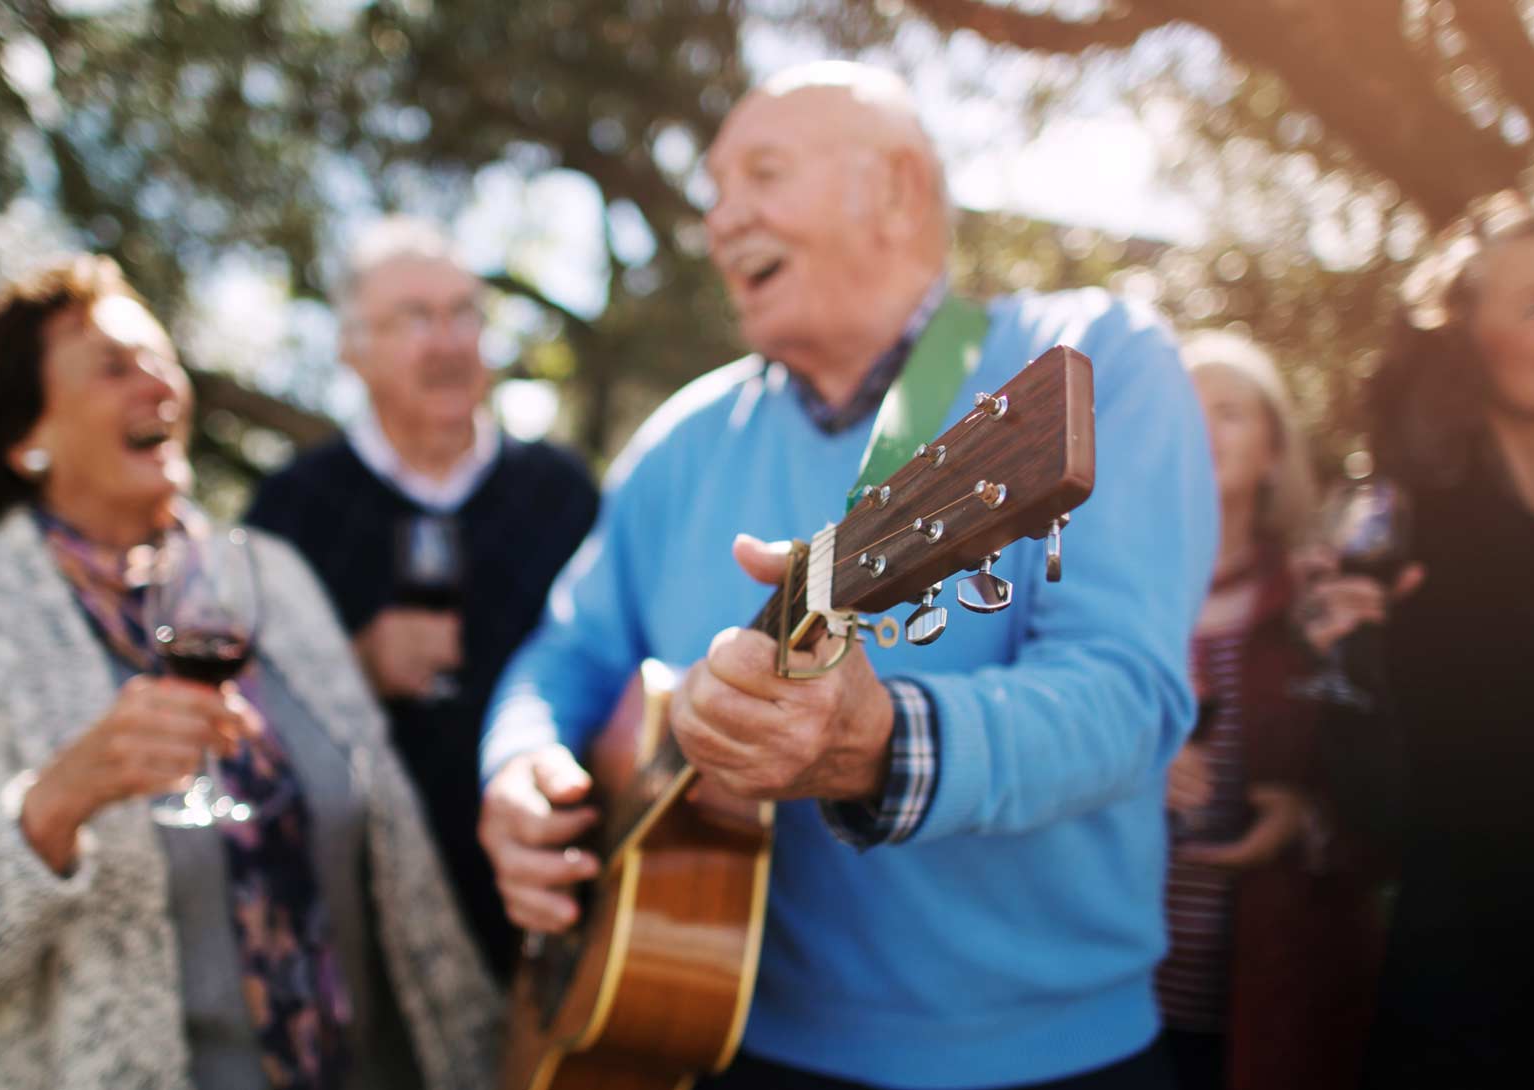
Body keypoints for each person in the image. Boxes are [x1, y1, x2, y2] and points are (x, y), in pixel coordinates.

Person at [478, 61, 1217, 1090]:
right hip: (706, 1031)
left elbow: (1125, 696)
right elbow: (564, 651)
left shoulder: (1087, 361)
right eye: (712, 193)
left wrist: (878, 743)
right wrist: (516, 769)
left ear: (899, 190)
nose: (720, 218)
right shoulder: (681, 437)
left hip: (1047, 1063)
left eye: (762, 175)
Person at [0, 257, 499, 1090]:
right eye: (115, 367)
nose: (159, 384)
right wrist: (53, 805)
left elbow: (404, 872)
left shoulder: (270, 577)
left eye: (163, 360)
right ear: (26, 438)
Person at [1303, 196, 1534, 1086]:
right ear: (1464, 340)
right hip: (1473, 999)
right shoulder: (1393, 536)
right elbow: (1376, 815)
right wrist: (1344, 669)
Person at [245, 218, 599, 977]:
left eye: (463, 313)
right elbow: (239, 722)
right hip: (365, 951)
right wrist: (357, 666)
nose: (447, 341)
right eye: (413, 318)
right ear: (350, 348)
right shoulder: (289, 512)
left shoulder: (563, 495)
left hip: (556, 921)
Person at [1157, 331, 1381, 1090]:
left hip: (1269, 1005)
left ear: (1275, 452)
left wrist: (1305, 820)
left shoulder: (1322, 607)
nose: (1199, 426)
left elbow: (1392, 805)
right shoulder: (1095, 600)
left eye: (1228, 411)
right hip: (1111, 1005)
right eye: (1180, 408)